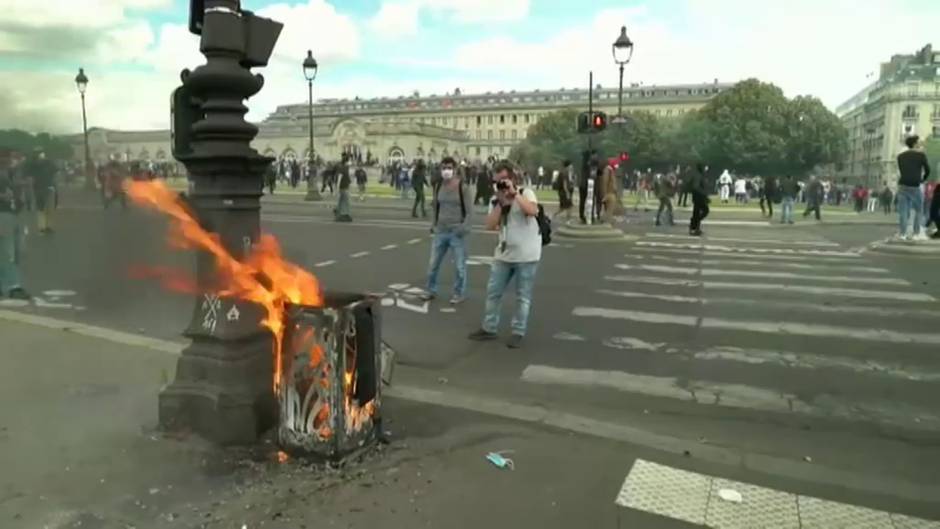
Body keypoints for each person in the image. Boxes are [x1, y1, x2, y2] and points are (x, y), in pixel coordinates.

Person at [468, 161, 542, 349]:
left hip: (527, 255)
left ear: (513, 178)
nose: (501, 184)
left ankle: (518, 331)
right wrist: (502, 202)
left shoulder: (526, 193)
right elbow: (490, 225)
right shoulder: (496, 200)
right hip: (503, 254)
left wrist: (514, 195)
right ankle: (489, 327)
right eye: (497, 181)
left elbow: (533, 211)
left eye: (504, 180)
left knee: (522, 296)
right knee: (493, 292)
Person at [422, 157, 470, 304]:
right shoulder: (438, 186)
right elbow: (436, 206)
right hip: (441, 231)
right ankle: (430, 290)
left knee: (459, 266)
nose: (446, 171)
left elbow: (469, 211)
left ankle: (459, 293)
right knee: (433, 264)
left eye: (449, 168)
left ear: (454, 170)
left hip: (456, 231)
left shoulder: (463, 187)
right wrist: (433, 224)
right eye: (443, 168)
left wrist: (463, 228)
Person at [0, 154, 29, 300]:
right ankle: (13, 286)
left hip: (10, 215)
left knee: (10, 252)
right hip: (4, 215)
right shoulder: (3, 176)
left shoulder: (8, 176)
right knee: (8, 253)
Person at [896, 135, 931, 241]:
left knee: (903, 211)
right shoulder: (921, 155)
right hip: (915, 185)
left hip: (902, 185)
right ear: (915, 144)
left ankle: (903, 234)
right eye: (918, 142)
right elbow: (927, 169)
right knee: (919, 210)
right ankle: (916, 234)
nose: (920, 143)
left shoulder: (900, 156)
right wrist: (923, 179)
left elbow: (902, 171)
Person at [25, 151, 57, 235]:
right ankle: (48, 227)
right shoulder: (49, 164)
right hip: (48, 188)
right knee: (48, 209)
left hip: (38, 189)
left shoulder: (32, 166)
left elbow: (29, 176)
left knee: (40, 209)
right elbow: (55, 171)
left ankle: (42, 227)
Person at [688, 163, 709, 236]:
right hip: (698, 196)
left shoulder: (700, 175)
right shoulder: (698, 176)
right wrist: (703, 194)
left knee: (697, 212)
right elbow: (695, 187)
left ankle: (695, 227)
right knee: (703, 211)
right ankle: (693, 226)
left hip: (699, 196)